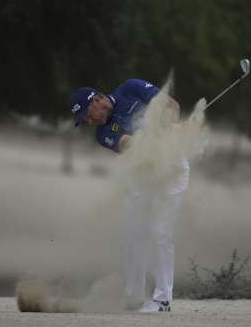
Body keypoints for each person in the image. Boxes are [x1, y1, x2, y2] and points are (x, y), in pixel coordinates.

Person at [69, 79, 189, 312]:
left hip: (172, 172)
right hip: (141, 178)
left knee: (160, 233)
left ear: (96, 100)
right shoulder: (103, 132)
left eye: (87, 115)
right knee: (135, 236)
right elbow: (128, 145)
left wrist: (171, 126)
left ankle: (163, 300)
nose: (88, 121)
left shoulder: (130, 88)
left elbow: (171, 105)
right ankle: (134, 297)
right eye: (84, 120)